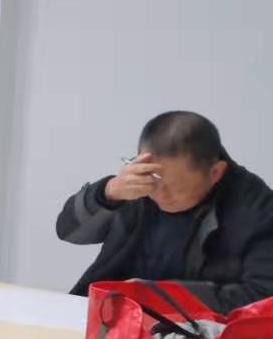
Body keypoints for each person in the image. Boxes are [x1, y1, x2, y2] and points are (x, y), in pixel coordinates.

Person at [57, 112, 273, 313]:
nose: (159, 194)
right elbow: (68, 232)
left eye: (175, 188)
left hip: (194, 329)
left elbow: (263, 298)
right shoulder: (137, 181)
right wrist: (107, 193)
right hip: (104, 313)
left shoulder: (258, 209)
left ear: (215, 173)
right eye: (153, 182)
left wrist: (154, 295)